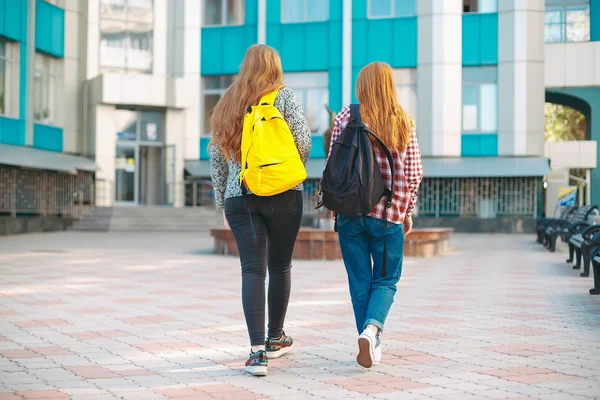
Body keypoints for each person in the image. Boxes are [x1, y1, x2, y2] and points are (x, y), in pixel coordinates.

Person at [209, 44, 311, 376]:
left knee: (252, 270)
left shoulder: (227, 101)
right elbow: (304, 143)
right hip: (283, 195)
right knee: (280, 267)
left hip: (241, 196)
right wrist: (282, 172)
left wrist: (223, 200)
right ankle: (275, 338)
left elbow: (216, 154)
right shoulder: (285, 97)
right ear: (275, 67)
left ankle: (256, 354)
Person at [327, 62, 423, 368]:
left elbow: (334, 165)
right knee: (385, 280)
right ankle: (371, 331)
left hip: (350, 214)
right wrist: (407, 211)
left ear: (361, 85)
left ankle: (369, 340)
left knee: (359, 281)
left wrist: (334, 209)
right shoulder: (402, 120)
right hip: (388, 215)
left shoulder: (346, 115)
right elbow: (414, 173)